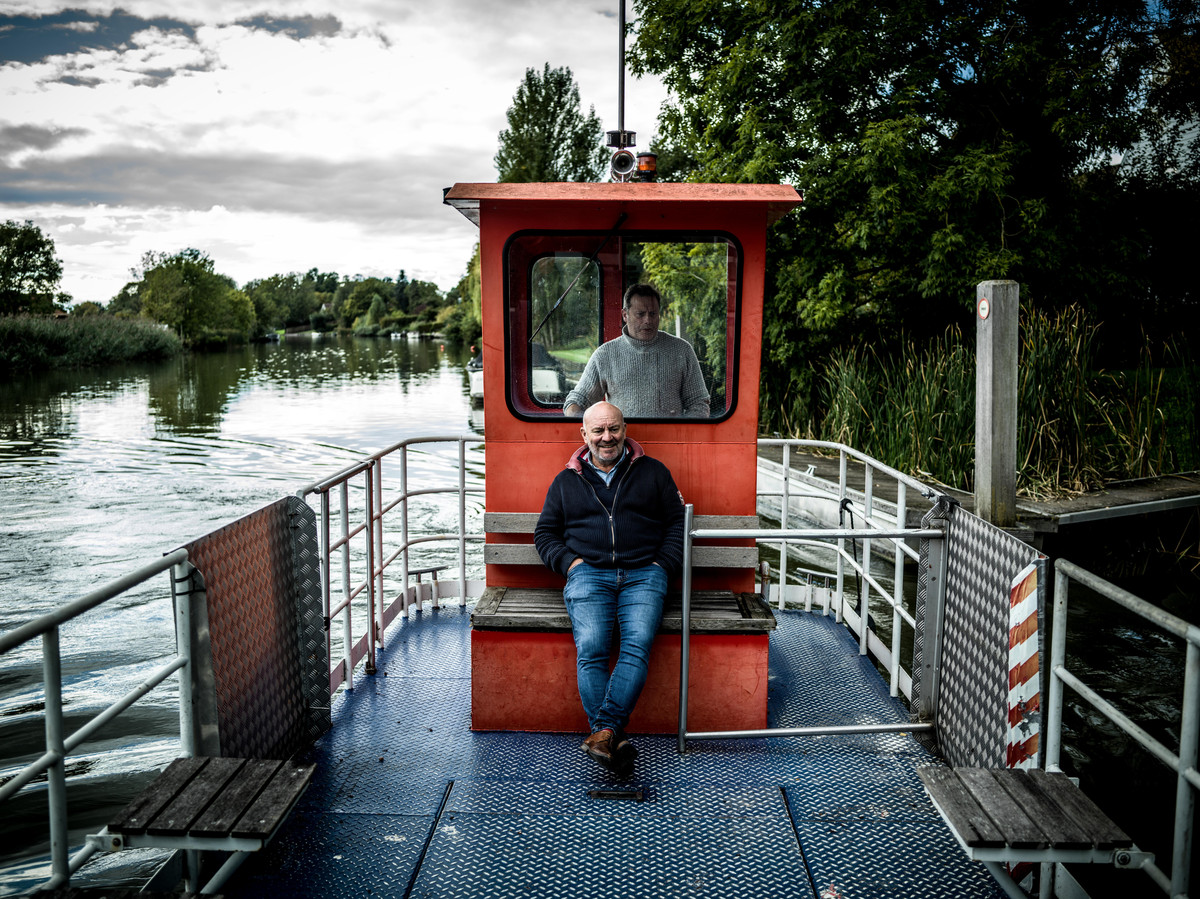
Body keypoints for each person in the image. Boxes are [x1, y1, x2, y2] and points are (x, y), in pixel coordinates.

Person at [534, 401, 685, 772]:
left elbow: (677, 524)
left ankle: (603, 736)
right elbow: (545, 534)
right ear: (583, 435)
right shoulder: (566, 481)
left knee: (636, 645)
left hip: (644, 574)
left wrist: (661, 564)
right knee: (592, 647)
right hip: (588, 574)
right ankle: (610, 735)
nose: (607, 437)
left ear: (624, 429)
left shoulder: (653, 473)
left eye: (613, 429)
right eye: (598, 431)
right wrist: (571, 564)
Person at [562, 284, 710, 418]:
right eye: (640, 314)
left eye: (653, 314)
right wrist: (596, 428)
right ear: (625, 315)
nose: (648, 320)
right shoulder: (604, 355)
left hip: (673, 441)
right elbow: (577, 402)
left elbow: (699, 403)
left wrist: (683, 433)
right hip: (621, 445)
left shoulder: (681, 350)